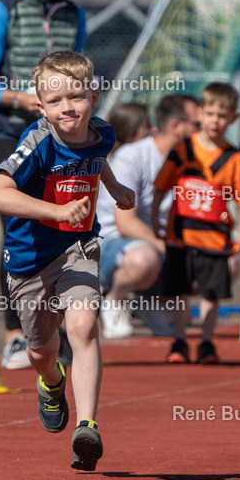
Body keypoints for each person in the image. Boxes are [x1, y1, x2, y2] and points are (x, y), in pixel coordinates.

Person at [0, 51, 135, 471]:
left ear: (94, 94)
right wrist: (54, 211)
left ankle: (87, 426)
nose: (67, 108)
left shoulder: (103, 133)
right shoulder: (37, 142)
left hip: (78, 247)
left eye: (77, 96)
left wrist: (116, 187)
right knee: (40, 352)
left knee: (84, 325)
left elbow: (96, 158)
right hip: (30, 259)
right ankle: (52, 383)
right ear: (40, 106)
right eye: (55, 102)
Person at [0, 0, 85, 370]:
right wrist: (21, 98)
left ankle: (53, 330)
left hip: (57, 138)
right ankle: (16, 334)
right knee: (19, 228)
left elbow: (82, 70)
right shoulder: (2, 9)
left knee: (63, 232)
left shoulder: (74, 12)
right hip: (5, 133)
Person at [151, 82, 240, 364]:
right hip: (181, 235)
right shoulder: (183, 149)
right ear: (199, 114)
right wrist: (153, 220)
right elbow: (161, 186)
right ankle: (180, 339)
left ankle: (207, 342)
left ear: (233, 119)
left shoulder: (236, 158)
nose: (215, 121)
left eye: (222, 116)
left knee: (211, 292)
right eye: (209, 114)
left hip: (215, 238)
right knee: (181, 290)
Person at [96, 98, 193, 339]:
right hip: (113, 244)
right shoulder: (131, 155)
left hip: (152, 242)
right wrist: (167, 247)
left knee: (222, 262)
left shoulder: (193, 158)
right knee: (144, 260)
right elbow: (125, 223)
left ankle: (149, 299)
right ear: (176, 126)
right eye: (197, 123)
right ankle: (115, 299)